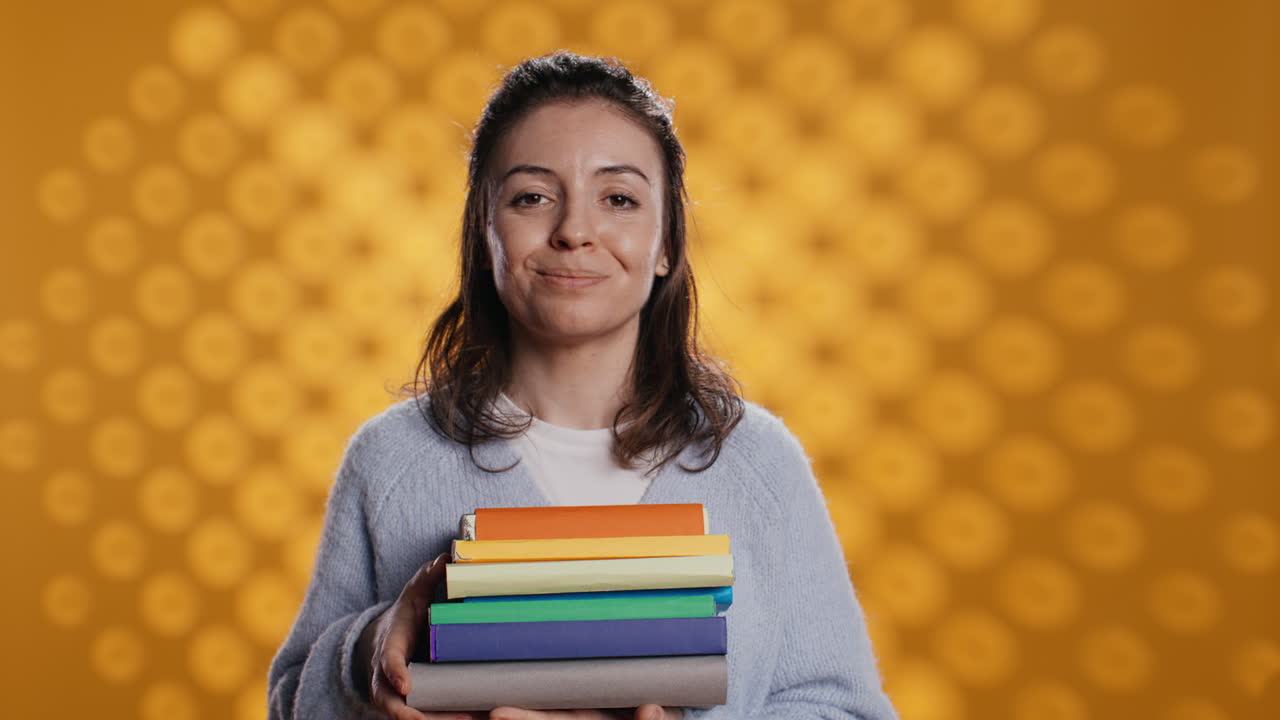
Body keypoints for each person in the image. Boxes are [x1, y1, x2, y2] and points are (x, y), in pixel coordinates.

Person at [267, 50, 898, 720]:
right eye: (532, 197)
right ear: (484, 234)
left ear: (665, 246)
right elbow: (291, 703)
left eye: (619, 199)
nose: (574, 232)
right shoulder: (389, 459)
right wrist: (367, 651)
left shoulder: (759, 464)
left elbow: (845, 710)